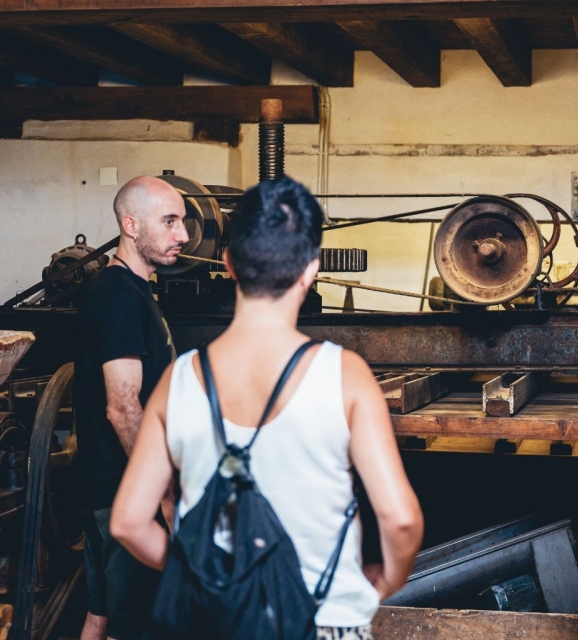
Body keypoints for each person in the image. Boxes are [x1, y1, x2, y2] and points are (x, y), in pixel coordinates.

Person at [110, 176, 424, 638]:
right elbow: (400, 519)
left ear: (229, 263)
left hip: (219, 622)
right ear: (311, 269)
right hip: (325, 621)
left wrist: (198, 579)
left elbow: (128, 523)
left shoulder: (180, 379)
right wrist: (382, 581)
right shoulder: (345, 375)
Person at [75, 176, 188, 640]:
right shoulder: (121, 296)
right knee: (136, 625)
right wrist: (164, 495)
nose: (182, 234)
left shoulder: (134, 291)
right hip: (127, 499)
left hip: (106, 490)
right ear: (131, 225)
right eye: (169, 221)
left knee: (100, 618)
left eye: (181, 221)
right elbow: (122, 409)